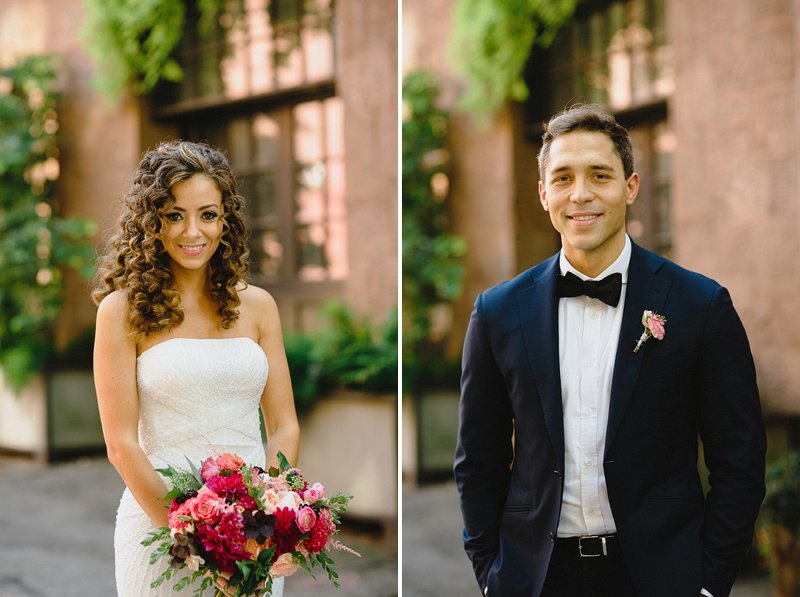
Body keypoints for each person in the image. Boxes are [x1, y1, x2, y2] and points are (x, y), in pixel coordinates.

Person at [454, 104, 766, 597]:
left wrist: (709, 582)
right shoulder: (497, 312)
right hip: (536, 577)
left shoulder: (701, 305)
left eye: (600, 175)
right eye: (563, 178)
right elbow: (478, 460)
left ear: (631, 187)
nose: (580, 194)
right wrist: (491, 573)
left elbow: (739, 458)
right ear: (543, 194)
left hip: (662, 576)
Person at [92, 140, 300, 596]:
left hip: (251, 541)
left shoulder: (259, 306)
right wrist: (203, 545)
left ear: (225, 221)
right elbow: (121, 445)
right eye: (174, 215)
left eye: (207, 214)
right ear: (151, 222)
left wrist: (271, 522)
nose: (193, 231)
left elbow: (284, 427)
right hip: (160, 532)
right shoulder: (121, 311)